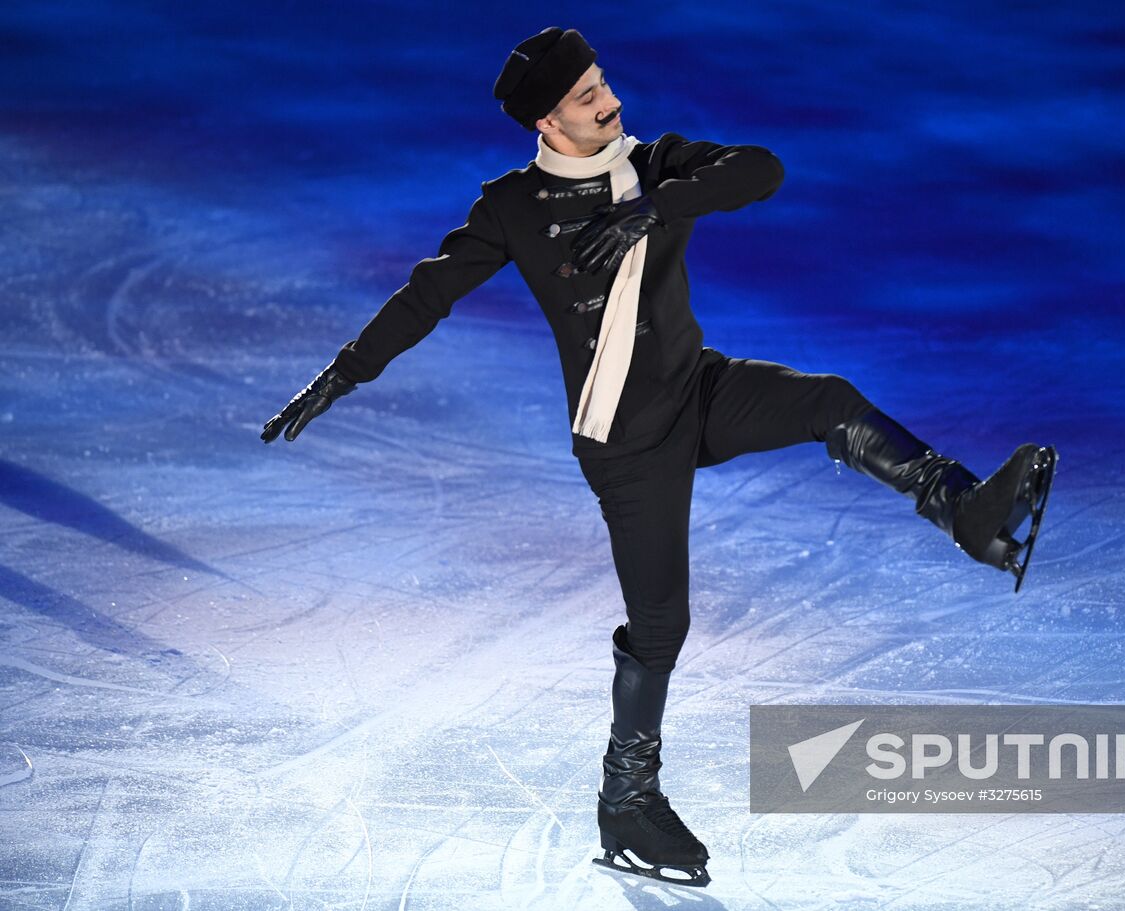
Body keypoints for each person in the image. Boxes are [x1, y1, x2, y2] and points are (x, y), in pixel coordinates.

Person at [260, 26, 1057, 888]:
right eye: (586, 97)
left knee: (828, 399)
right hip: (627, 441)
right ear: (546, 124)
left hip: (695, 391)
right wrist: (342, 374)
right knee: (660, 625)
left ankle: (967, 512)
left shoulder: (655, 164)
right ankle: (626, 798)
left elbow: (762, 170)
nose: (609, 101)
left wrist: (655, 205)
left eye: (603, 82)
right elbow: (427, 296)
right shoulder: (512, 208)